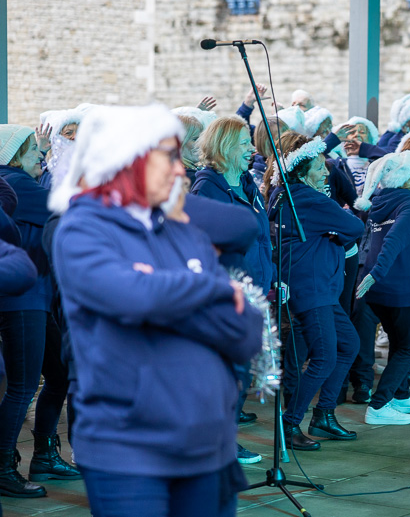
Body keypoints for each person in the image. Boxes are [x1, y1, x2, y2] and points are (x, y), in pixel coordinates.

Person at [49, 104, 262, 516]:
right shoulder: (81, 230)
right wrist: (211, 287)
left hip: (208, 446)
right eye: (168, 156)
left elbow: (247, 333)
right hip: (130, 451)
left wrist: (168, 295)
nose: (181, 170)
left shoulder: (182, 230)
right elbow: (132, 296)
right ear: (127, 159)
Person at [267, 135, 364, 451]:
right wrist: (337, 231)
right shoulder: (308, 199)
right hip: (312, 287)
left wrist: (334, 231)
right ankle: (290, 422)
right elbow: (356, 227)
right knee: (324, 356)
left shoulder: (285, 195)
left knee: (349, 343)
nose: (327, 173)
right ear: (304, 168)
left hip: (312, 286)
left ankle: (323, 414)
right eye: (321, 167)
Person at [191, 116, 274, 443]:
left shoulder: (248, 184)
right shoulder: (208, 188)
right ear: (224, 147)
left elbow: (263, 237)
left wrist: (273, 278)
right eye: (243, 143)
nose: (251, 149)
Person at [353, 151, 410, 424]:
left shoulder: (381, 202)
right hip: (400, 287)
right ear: (404, 179)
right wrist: (377, 273)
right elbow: (394, 239)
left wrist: (373, 275)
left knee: (399, 341)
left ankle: (401, 395)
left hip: (379, 287)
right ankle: (378, 406)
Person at [0, 125, 60, 498]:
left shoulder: (18, 180)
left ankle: (44, 453)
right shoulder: (15, 183)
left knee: (60, 371)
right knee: (22, 387)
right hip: (23, 301)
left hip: (36, 298)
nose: (42, 156)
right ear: (15, 153)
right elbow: (63, 208)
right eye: (35, 150)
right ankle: (4, 466)